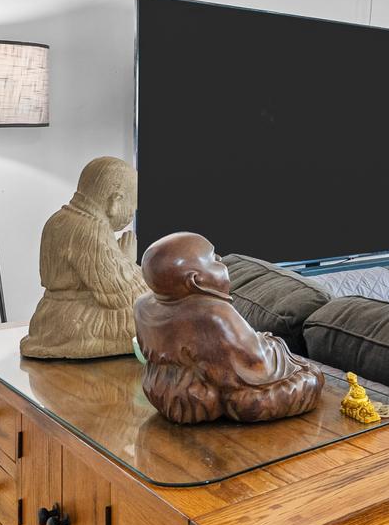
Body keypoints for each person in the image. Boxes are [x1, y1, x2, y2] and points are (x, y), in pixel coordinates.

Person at [134, 231, 322, 423]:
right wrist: (273, 344)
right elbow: (258, 365)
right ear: (196, 281)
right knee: (310, 378)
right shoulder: (214, 314)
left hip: (160, 394)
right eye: (214, 259)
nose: (222, 261)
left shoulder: (142, 305)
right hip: (202, 400)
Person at [21, 157, 144, 360]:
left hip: (48, 316)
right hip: (75, 322)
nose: (132, 214)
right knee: (153, 317)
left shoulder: (57, 219)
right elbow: (119, 294)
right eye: (133, 206)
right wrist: (129, 261)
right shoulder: (91, 229)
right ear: (116, 201)